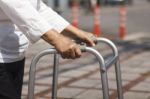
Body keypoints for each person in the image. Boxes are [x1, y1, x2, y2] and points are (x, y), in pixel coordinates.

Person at [0, 0, 95, 98]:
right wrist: (56, 39)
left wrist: (76, 33)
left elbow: (37, 8)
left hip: (14, 54)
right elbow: (16, 4)